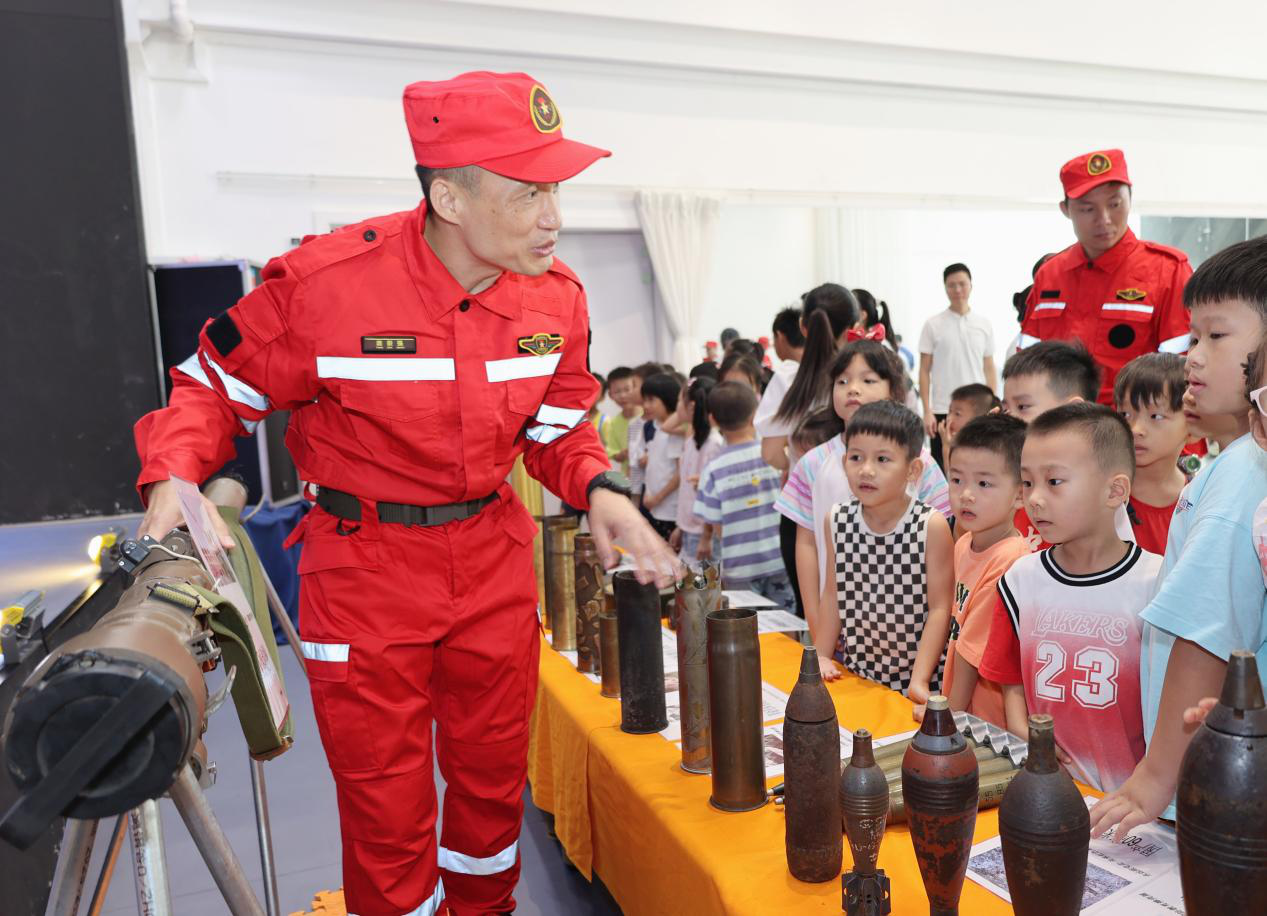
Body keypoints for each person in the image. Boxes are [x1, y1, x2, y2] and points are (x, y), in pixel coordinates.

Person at [131, 71, 678, 916]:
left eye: (555, 191)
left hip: (491, 566)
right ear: (449, 198)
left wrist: (600, 486)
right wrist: (173, 469)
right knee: (385, 811)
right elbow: (211, 386)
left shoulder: (556, 302)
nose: (553, 217)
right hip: (364, 575)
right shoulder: (324, 287)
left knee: (492, 790)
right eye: (528, 193)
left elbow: (557, 428)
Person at [1089, 236, 1267, 842]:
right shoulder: (1234, 460)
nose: (1193, 357)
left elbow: (1204, 634)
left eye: (1215, 336)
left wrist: (1155, 776)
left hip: (1212, 784)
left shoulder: (1245, 475)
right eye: (1193, 336)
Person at [979, 403, 1162, 793]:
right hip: (1043, 788)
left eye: (1054, 481)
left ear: (1114, 491)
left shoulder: (1157, 584)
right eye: (1027, 482)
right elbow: (1010, 678)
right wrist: (1021, 728)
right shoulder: (1019, 581)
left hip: (1130, 801)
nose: (1035, 499)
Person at [776, 340, 952, 676]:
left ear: (893, 390)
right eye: (842, 381)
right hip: (842, 627)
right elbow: (806, 544)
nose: (852, 389)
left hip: (911, 635)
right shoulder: (814, 462)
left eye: (868, 380)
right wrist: (816, 623)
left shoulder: (921, 463)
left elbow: (943, 548)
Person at [1019, 149, 1193, 405]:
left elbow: (1183, 369)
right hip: (1058, 421)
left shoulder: (1167, 271)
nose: (1104, 219)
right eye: (1087, 208)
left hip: (1134, 422)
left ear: (1130, 199)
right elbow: (1027, 363)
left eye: (1115, 204)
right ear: (1065, 209)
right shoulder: (1050, 274)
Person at [817, 401, 954, 699]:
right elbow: (831, 595)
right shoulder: (837, 519)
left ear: (912, 470)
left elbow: (940, 609)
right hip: (857, 676)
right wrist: (822, 655)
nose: (866, 470)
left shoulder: (930, 525)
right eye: (856, 457)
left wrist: (919, 681)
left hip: (921, 683)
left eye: (882, 459)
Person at [760, 285, 859, 616]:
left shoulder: (788, 377)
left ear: (804, 326)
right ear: (853, 326)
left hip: (802, 512)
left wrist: (796, 467)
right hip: (865, 507)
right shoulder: (863, 377)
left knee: (812, 610)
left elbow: (770, 453)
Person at [940, 414, 1030, 728]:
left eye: (983, 483)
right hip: (963, 708)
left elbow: (969, 654)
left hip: (986, 721)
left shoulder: (1010, 560)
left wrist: (946, 719)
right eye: (956, 480)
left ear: (1020, 494)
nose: (966, 494)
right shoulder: (965, 543)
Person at [694, 382, 791, 605]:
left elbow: (717, 527)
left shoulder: (712, 470)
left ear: (712, 420)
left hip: (739, 568)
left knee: (747, 622)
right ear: (754, 415)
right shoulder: (776, 457)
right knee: (785, 620)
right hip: (779, 559)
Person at [919, 263, 998, 470]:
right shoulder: (933, 324)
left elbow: (989, 366)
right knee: (943, 466)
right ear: (945, 288)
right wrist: (927, 410)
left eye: (962, 284)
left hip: (977, 410)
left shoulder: (983, 324)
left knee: (980, 464)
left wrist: (991, 403)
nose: (957, 289)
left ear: (971, 285)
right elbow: (924, 371)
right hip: (943, 408)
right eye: (951, 285)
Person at [1114, 354, 1189, 554]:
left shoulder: (1202, 500)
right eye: (1125, 414)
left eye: (1156, 416)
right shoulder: (1099, 495)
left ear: (1193, 425)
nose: (1135, 429)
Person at [671, 376, 722, 561]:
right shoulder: (692, 441)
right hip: (690, 528)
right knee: (687, 577)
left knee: (702, 579)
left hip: (703, 533)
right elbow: (687, 490)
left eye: (679, 401)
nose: (677, 406)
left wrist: (706, 537)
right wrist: (681, 526)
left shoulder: (713, 444)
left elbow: (713, 495)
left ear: (691, 406)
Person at [639, 372, 685, 539]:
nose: (645, 405)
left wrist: (657, 498)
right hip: (655, 505)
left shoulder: (675, 431)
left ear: (667, 398)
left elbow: (680, 474)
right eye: (644, 400)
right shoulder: (654, 426)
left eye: (651, 400)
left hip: (670, 508)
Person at [941, 382, 1000, 449]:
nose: (949, 418)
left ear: (978, 420)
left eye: (957, 414)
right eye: (950, 411)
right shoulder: (958, 442)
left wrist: (946, 445)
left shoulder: (980, 450)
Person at [605, 366, 641, 476]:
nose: (623, 396)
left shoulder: (648, 415)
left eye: (627, 389)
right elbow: (613, 451)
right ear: (610, 395)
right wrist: (621, 455)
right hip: (629, 478)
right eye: (617, 392)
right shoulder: (613, 423)